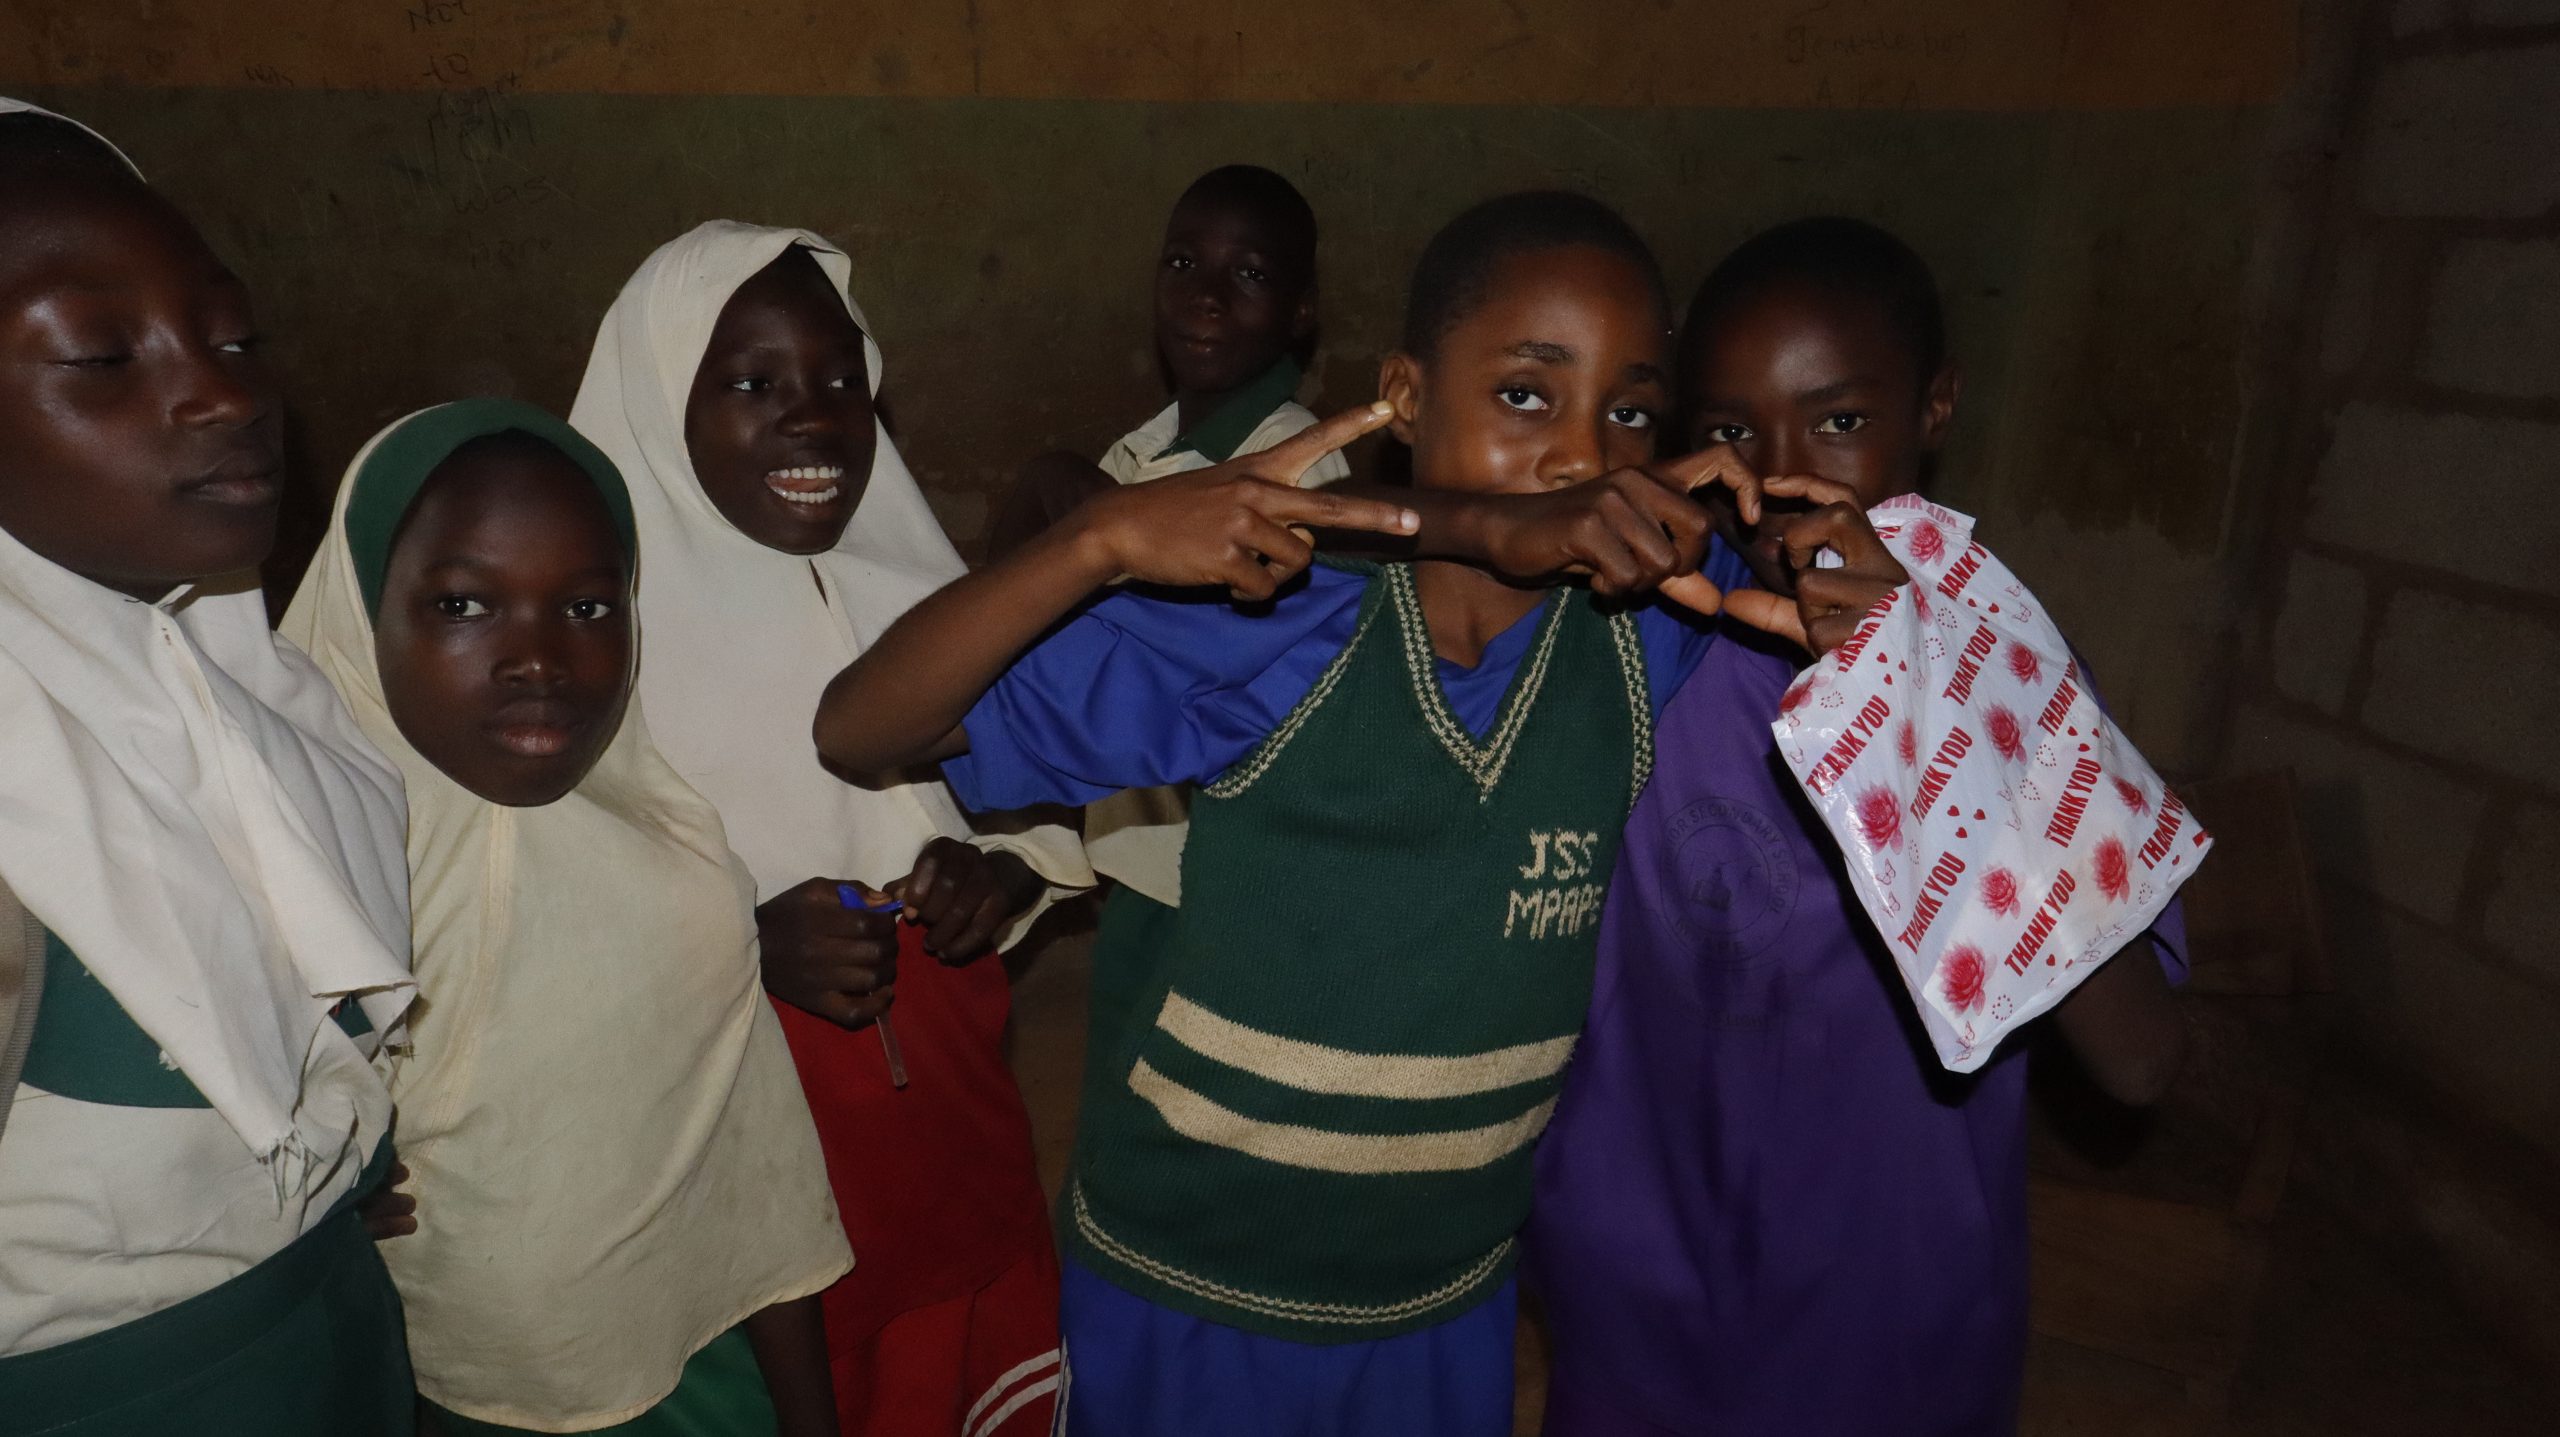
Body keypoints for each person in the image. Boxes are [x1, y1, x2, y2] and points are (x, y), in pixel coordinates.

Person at [809, 192, 1881, 1437]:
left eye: (1629, 413)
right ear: (1405, 398)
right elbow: (862, 729)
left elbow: (1827, 597)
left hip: (1443, 1301)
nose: (1580, 455)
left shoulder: (1646, 646)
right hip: (1189, 1290)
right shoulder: (1278, 626)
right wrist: (1099, 539)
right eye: (1525, 395)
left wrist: (1843, 594)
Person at [1527, 216, 2190, 1436]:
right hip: (1638, 1297)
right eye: (1732, 432)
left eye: (1837, 420)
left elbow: (2137, 1056)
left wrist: (1938, 716)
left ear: (1935, 407)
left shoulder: (2011, 679)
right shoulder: (1641, 649)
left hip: (1892, 1319)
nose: (1784, 477)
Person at [568, 221, 1092, 1437]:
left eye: (842, 380)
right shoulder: (595, 656)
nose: (813, 418)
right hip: (759, 1187)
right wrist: (742, 944)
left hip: (951, 1142)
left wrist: (1002, 872)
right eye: (752, 384)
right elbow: (557, 931)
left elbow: (1040, 810)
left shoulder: (917, 598)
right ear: (658, 403)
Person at [280, 400, 851, 1435]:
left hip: (701, 1361)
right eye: (463, 605)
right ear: (362, 613)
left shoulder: (672, 856)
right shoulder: (294, 878)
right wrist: (292, 1219)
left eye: (587, 607)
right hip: (450, 1387)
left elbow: (753, 1167)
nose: (538, 660)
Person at [0, 99, 419, 1434]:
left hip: (337, 1351)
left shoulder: (265, 709)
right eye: (101, 355)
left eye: (234, 338)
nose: (228, 395)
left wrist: (335, 1167)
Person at [994, 164, 1351, 921]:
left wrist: (1079, 510)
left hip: (1228, 880)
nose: (1206, 295)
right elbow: (1017, 625)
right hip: (1139, 864)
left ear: (1301, 311)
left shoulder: (1297, 469)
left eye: (1249, 274)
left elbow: (1198, 662)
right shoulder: (1138, 455)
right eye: (1183, 263)